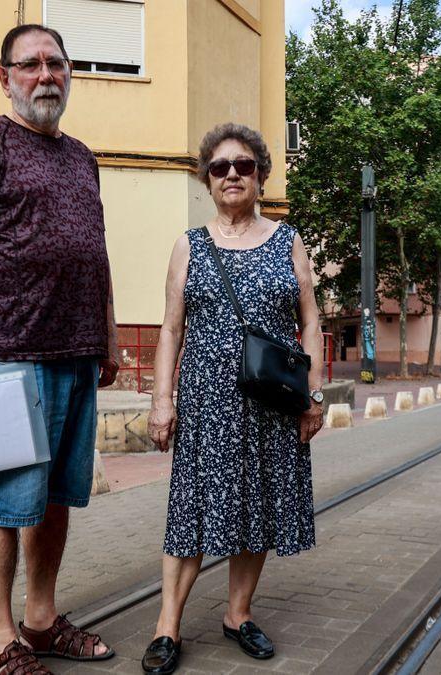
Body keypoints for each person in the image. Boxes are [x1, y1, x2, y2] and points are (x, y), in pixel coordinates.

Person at [0, 24, 118, 675]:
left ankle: (40, 621)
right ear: (5, 76)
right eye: (32, 64)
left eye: (57, 63)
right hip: (12, 349)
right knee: (6, 498)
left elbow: (94, 252)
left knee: (55, 499)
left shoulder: (83, 156)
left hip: (78, 350)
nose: (47, 75)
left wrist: (110, 331)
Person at [141, 123, 324, 674]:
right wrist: (161, 398)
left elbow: (310, 321)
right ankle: (167, 625)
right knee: (191, 511)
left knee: (258, 507)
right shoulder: (189, 245)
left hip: (272, 403)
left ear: (261, 175)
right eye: (220, 168)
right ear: (208, 180)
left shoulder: (288, 240)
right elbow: (171, 329)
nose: (232, 175)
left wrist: (312, 395)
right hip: (205, 404)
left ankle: (237, 613)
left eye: (243, 165)